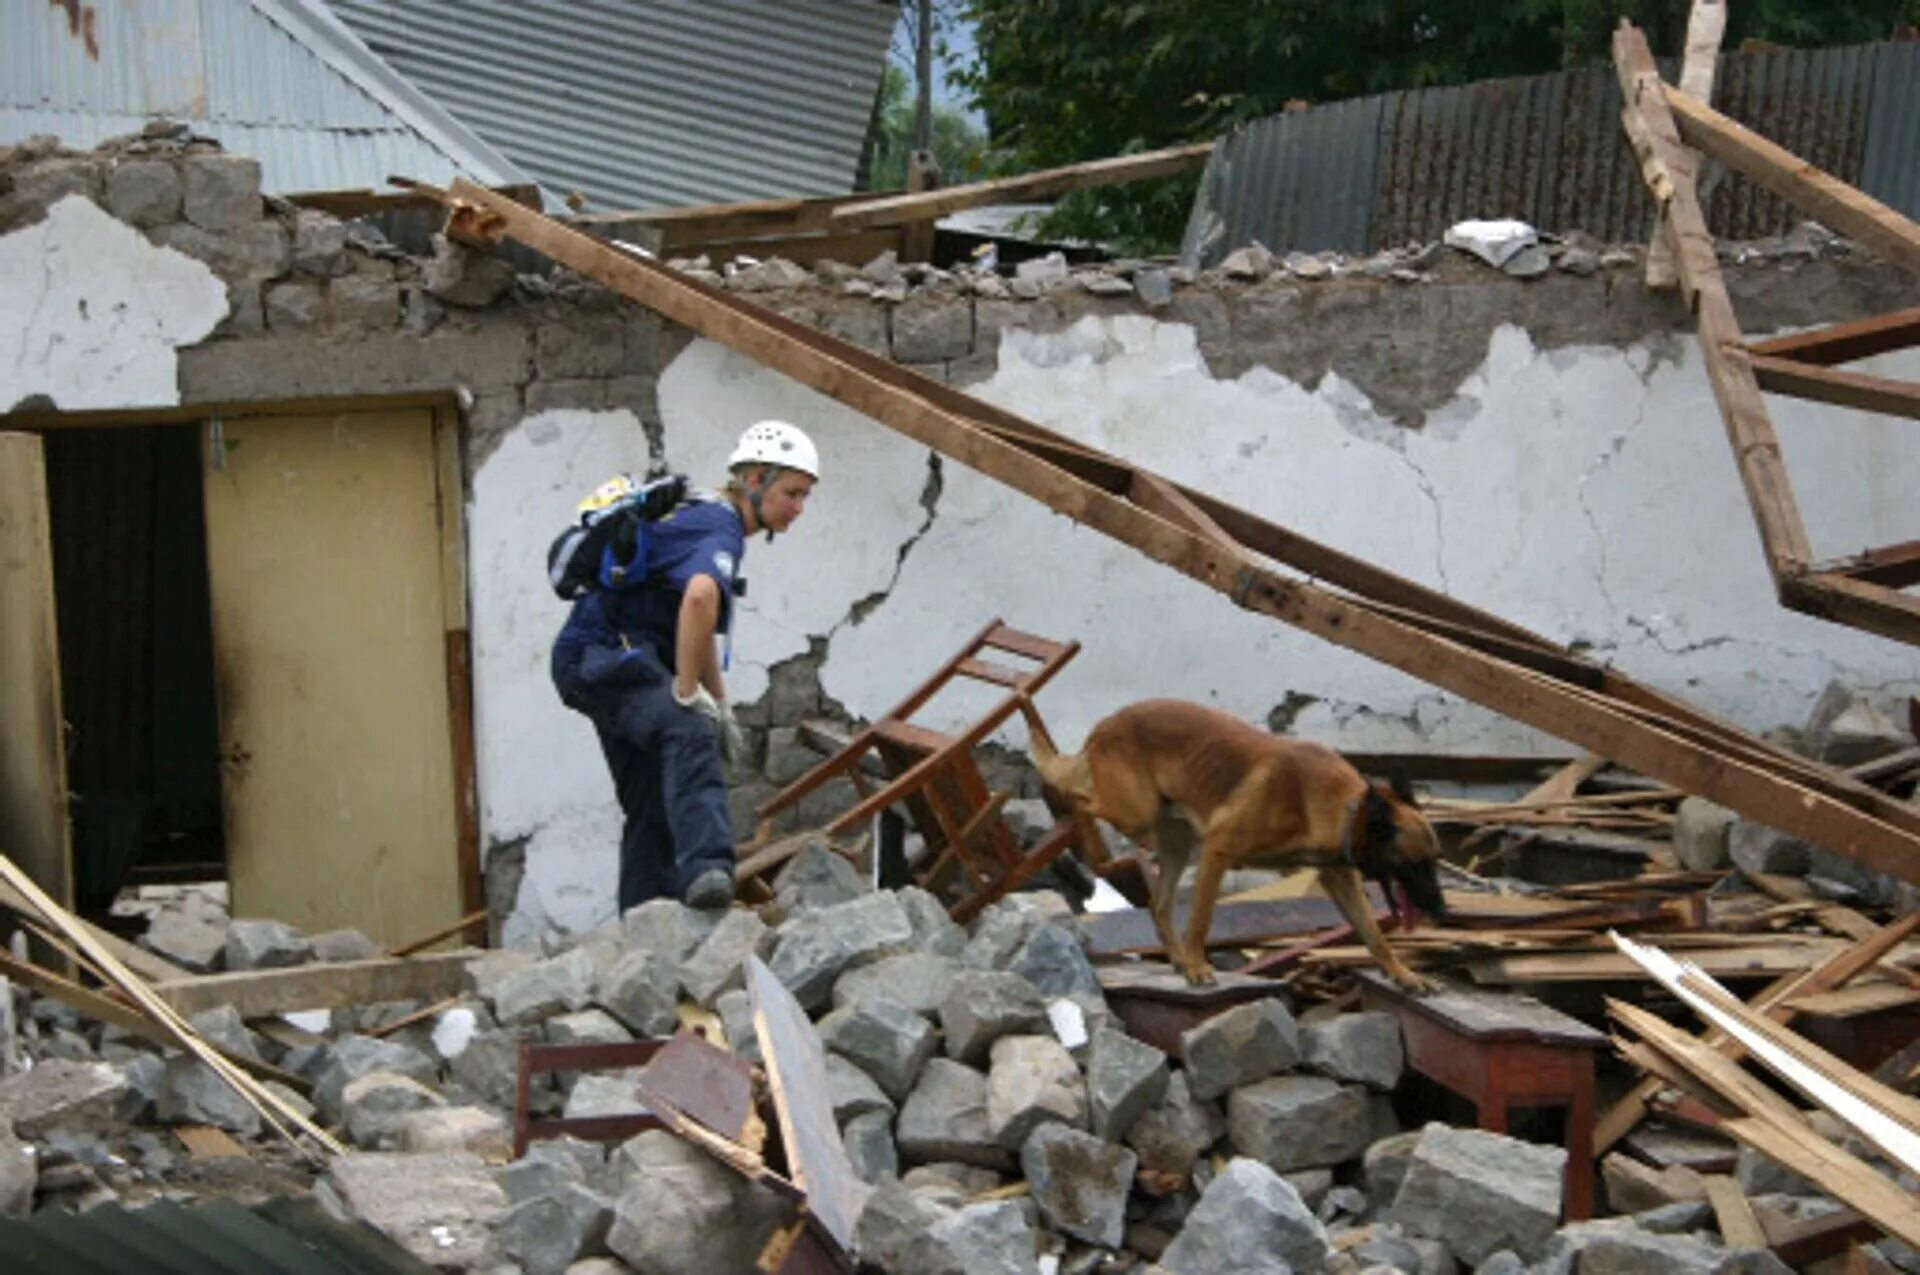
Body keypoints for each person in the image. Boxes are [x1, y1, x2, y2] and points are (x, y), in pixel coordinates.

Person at [551, 420, 818, 912]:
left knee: (650, 800)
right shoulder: (722, 527)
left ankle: (645, 920)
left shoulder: (699, 515)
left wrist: (718, 700)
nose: (799, 508)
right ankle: (709, 873)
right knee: (687, 728)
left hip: (595, 656)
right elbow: (699, 599)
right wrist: (690, 695)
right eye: (792, 492)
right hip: (608, 655)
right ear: (754, 480)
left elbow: (696, 626)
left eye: (805, 496)